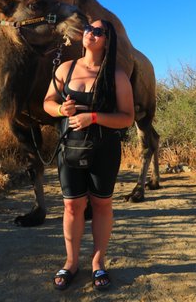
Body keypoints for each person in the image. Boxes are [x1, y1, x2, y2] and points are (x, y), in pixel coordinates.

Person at [43, 19, 134, 291]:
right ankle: (71, 262)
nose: (90, 34)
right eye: (88, 29)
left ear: (107, 40)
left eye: (98, 32)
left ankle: (98, 262)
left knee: (102, 204)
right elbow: (48, 102)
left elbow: (127, 118)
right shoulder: (65, 69)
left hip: (104, 149)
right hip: (69, 147)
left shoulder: (116, 75)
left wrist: (93, 117)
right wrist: (62, 111)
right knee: (72, 205)